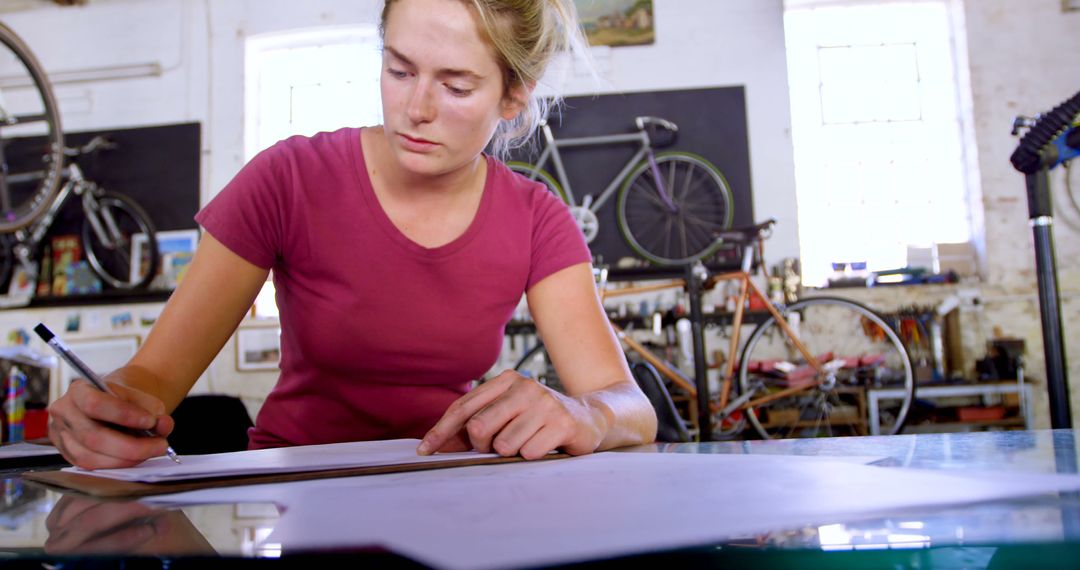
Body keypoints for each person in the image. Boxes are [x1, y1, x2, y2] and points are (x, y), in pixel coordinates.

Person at [47, 0, 658, 470]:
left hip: (451, 490)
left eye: (456, 86)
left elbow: (631, 409)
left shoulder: (535, 218)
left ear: (512, 98)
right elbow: (150, 381)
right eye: (399, 69)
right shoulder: (288, 179)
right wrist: (106, 410)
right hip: (297, 488)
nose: (415, 108)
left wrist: (584, 412)